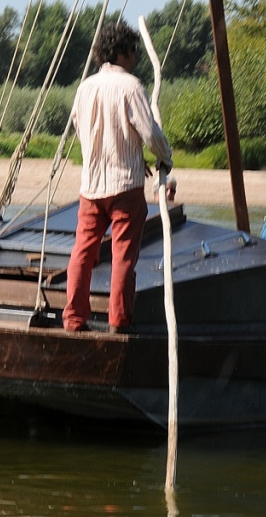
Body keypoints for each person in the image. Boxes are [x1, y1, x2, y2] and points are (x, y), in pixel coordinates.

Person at [62, 20, 173, 334]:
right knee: (123, 257)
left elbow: (80, 125)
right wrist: (165, 158)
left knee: (83, 253)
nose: (136, 56)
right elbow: (150, 133)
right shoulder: (131, 86)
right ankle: (118, 323)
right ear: (122, 51)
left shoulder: (85, 88)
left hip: (92, 186)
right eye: (134, 50)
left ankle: (73, 319)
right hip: (125, 186)